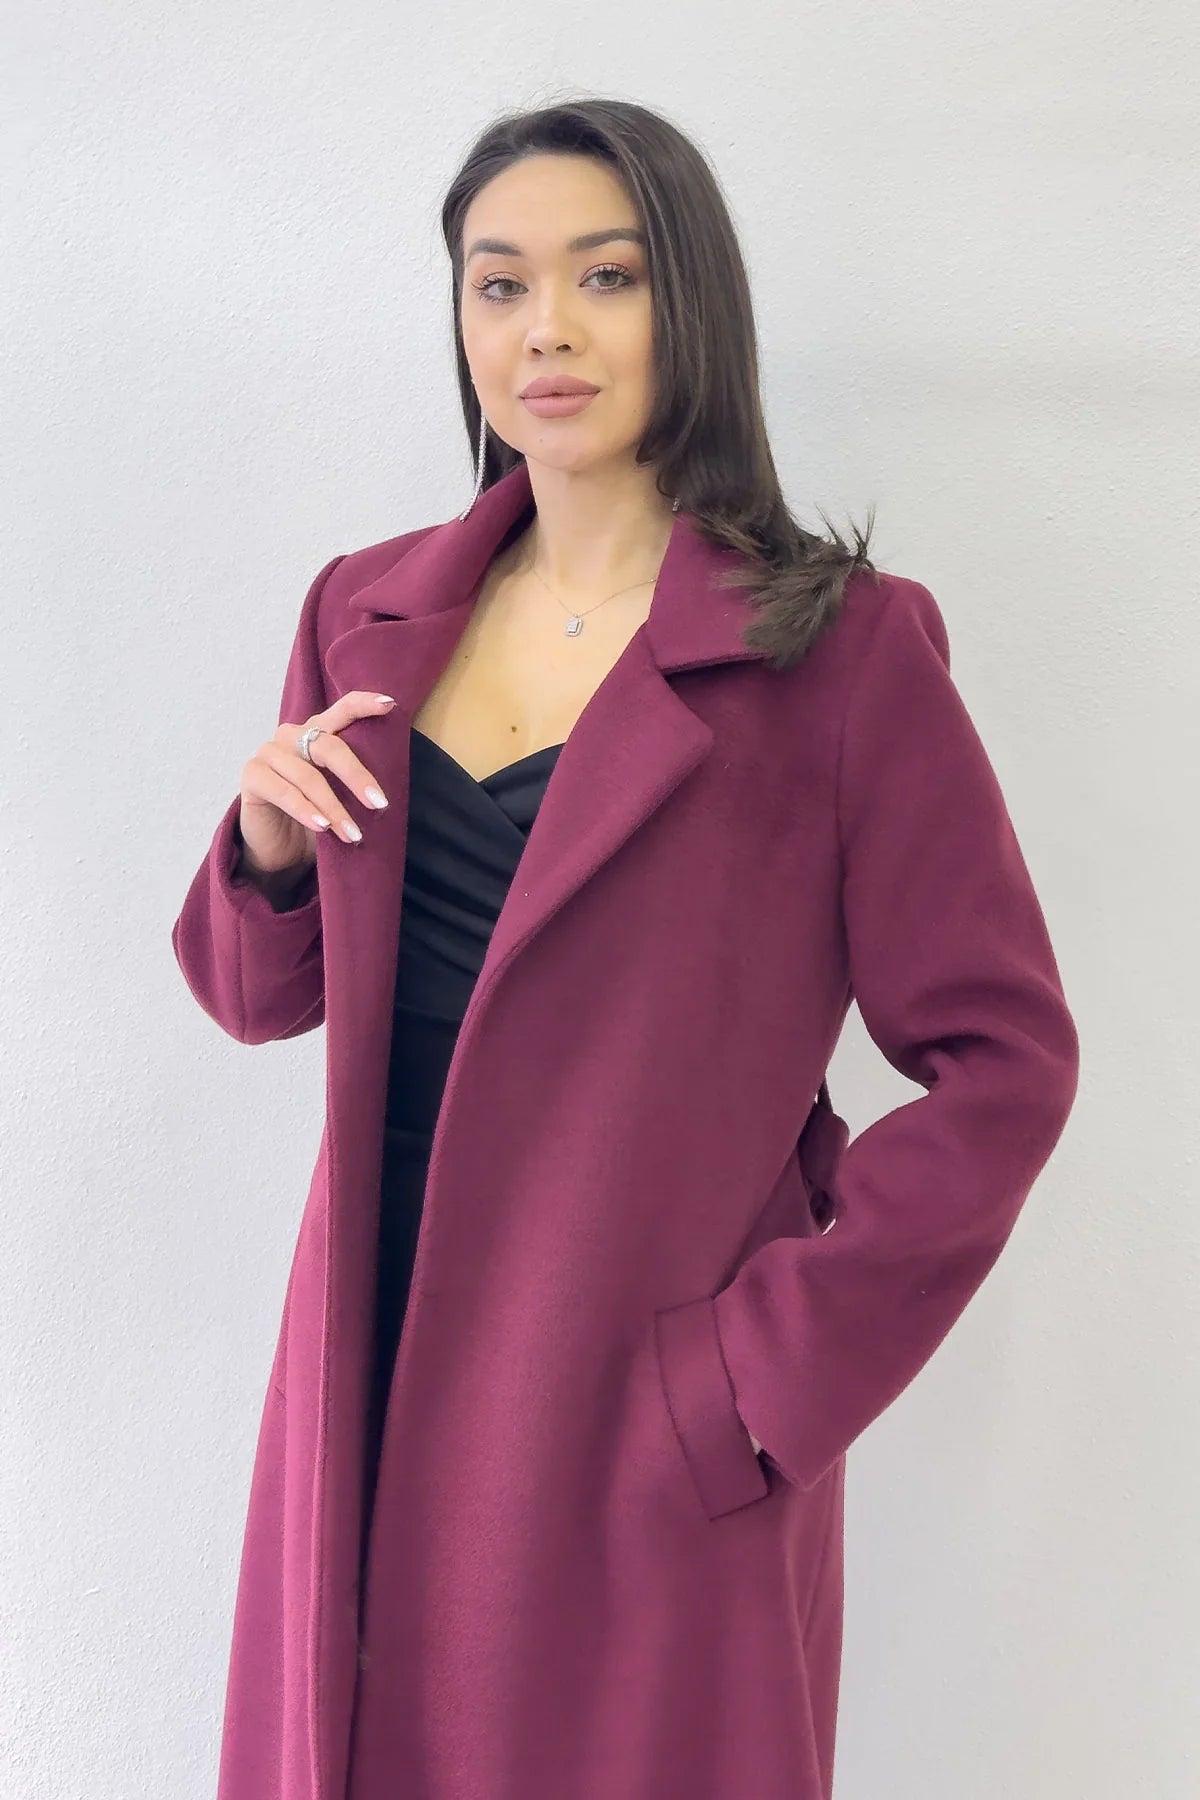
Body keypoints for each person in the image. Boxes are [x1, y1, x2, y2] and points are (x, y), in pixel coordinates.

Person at [172, 97, 1079, 1800]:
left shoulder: (839, 656)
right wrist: (267, 853)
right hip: (358, 1372)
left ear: (689, 305)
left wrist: (759, 1379)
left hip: (623, 1426)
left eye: (606, 276)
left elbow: (1005, 1062)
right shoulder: (364, 614)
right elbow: (253, 997)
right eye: (499, 283)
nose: (547, 330)